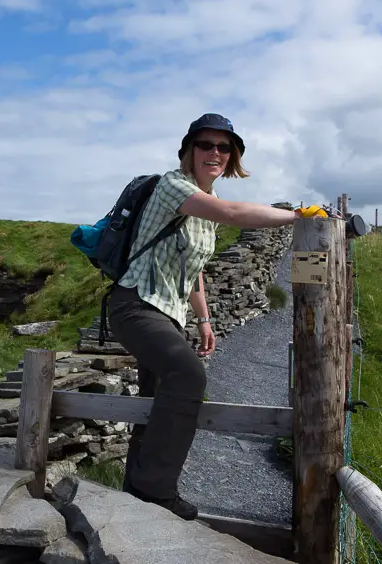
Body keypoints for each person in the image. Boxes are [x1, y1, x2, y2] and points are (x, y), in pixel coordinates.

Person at [107, 112, 311, 521]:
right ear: (188, 151)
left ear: (232, 156)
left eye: (224, 146)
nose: (214, 152)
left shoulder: (204, 208)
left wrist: (202, 320)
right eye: (205, 144)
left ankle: (135, 489)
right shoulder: (172, 185)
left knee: (157, 397)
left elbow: (195, 268)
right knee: (188, 377)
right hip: (135, 303)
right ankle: (157, 490)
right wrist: (297, 216)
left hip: (168, 313)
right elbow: (234, 214)